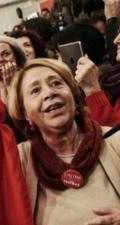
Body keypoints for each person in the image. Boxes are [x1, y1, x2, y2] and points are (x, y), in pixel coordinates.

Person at [8, 58, 120, 225]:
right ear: (25, 114)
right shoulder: (17, 160)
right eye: (35, 91)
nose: (49, 93)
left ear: (74, 97)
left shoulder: (116, 141)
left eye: (56, 84)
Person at [0, 35, 27, 103]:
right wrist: (2, 87)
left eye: (6, 54)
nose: (0, 60)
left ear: (17, 57)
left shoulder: (28, 79)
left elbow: (15, 112)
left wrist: (9, 85)